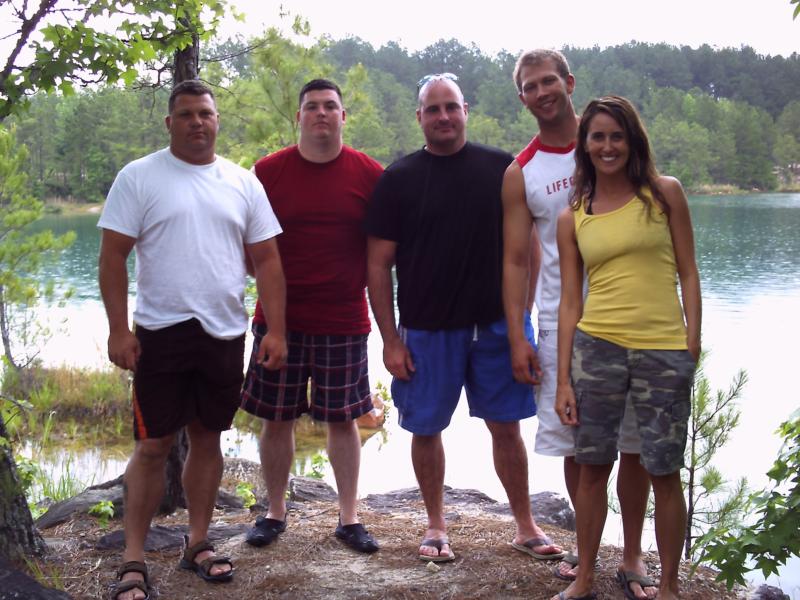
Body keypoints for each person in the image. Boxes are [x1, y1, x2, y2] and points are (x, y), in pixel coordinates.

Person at [98, 80, 287, 600]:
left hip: (223, 333)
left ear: (217, 119)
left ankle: (198, 543)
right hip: (160, 333)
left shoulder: (242, 182)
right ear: (170, 122)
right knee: (154, 445)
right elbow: (113, 255)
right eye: (186, 114)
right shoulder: (140, 177)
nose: (197, 122)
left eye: (205, 113)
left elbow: (268, 260)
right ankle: (133, 557)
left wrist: (277, 330)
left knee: (208, 438)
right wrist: (118, 328)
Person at [366, 73, 564, 564]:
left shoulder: (502, 169)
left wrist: (523, 316)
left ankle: (525, 524)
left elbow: (529, 248)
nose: (443, 117)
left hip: (496, 327)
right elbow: (376, 264)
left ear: (465, 110)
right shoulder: (399, 179)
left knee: (506, 427)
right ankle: (435, 525)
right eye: (433, 109)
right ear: (420, 118)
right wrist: (390, 340)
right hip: (427, 328)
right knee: (426, 427)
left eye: (450, 107)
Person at [502, 50, 657, 599]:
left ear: (569, 83)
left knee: (635, 445)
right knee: (576, 445)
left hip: (632, 318)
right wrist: (519, 334)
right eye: (530, 86)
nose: (542, 92)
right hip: (561, 324)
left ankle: (633, 554)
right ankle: (588, 553)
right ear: (521, 98)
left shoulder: (613, 145)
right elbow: (517, 259)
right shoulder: (522, 171)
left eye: (550, 81)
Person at [553, 95, 701, 600]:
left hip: (663, 349)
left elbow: (688, 272)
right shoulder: (574, 216)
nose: (608, 146)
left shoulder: (664, 194)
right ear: (585, 145)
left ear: (632, 140)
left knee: (663, 470)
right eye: (598, 136)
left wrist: (691, 343)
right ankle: (585, 577)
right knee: (594, 467)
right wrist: (563, 380)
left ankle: (669, 587)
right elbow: (570, 300)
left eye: (617, 136)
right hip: (598, 350)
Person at [240, 79, 383, 553]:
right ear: (298, 117)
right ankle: (274, 511)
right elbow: (249, 247)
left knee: (343, 420)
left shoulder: (369, 174)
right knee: (276, 419)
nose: (321, 113)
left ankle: (349, 518)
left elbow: (384, 252)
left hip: (343, 317)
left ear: (343, 116)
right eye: (312, 107)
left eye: (330, 106)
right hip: (277, 321)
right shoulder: (268, 171)